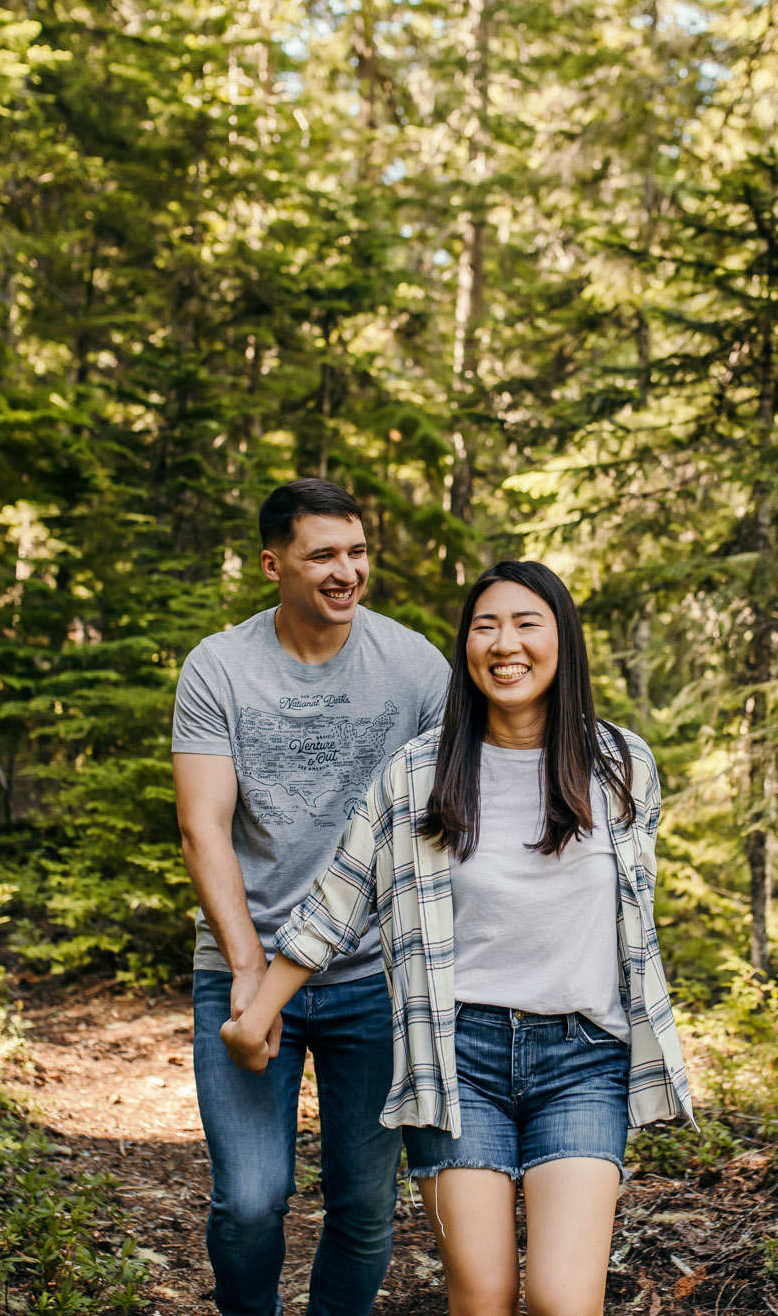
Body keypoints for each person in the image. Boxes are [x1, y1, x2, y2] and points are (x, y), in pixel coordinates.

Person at [220, 560, 694, 1316]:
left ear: (563, 641)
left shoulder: (621, 765)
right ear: (466, 646)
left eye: (526, 623)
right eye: (485, 625)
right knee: (482, 1296)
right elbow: (338, 902)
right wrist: (255, 1013)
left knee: (563, 1301)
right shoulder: (417, 772)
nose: (504, 644)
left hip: (583, 1058)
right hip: (454, 1059)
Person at [172, 478, 451, 1316]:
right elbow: (203, 827)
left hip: (373, 977)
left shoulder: (416, 667)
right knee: (251, 1200)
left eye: (357, 552)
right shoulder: (219, 667)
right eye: (323, 554)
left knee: (365, 1206)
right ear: (273, 564)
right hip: (243, 964)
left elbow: (456, 812)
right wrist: (251, 969)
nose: (346, 571)